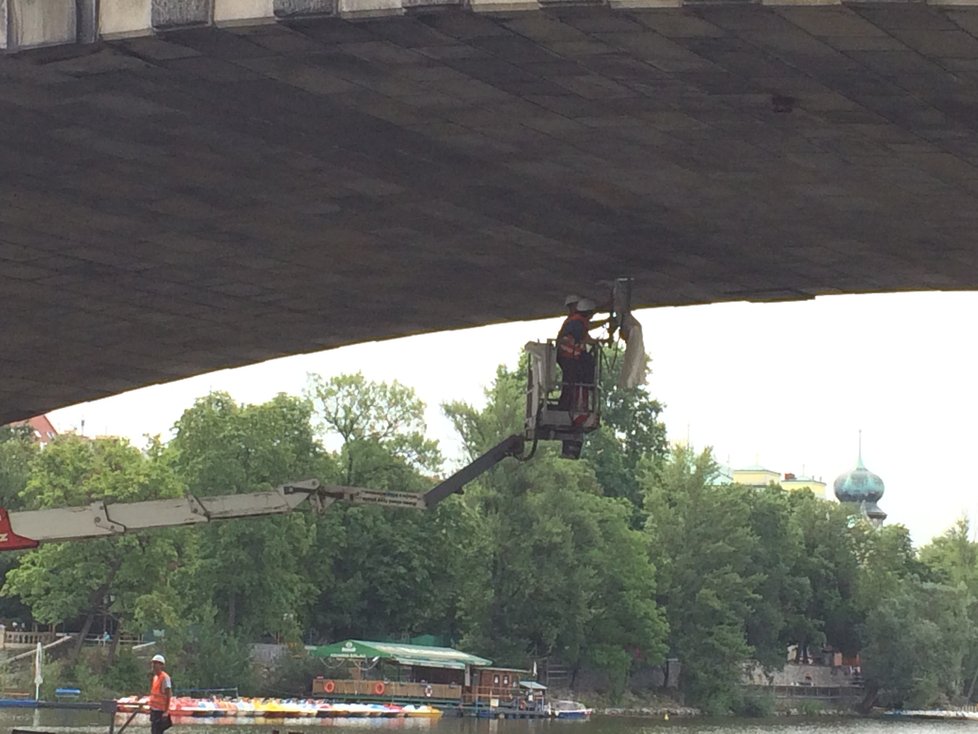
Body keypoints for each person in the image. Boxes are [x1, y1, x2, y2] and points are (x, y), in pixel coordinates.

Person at [556, 297, 600, 414]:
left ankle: (567, 405)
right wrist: (597, 342)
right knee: (571, 382)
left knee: (571, 382)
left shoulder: (576, 321)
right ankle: (566, 407)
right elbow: (583, 338)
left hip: (567, 356)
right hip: (569, 357)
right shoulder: (578, 323)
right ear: (588, 312)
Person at [148, 654, 172, 734]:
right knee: (154, 731)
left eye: (156, 663)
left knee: (157, 732)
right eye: (153, 663)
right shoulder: (155, 678)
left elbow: (168, 695)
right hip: (154, 710)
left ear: (161, 665)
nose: (154, 665)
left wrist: (166, 711)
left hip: (160, 711)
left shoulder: (165, 678)